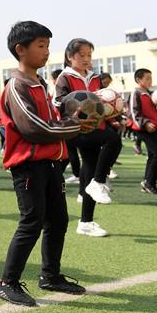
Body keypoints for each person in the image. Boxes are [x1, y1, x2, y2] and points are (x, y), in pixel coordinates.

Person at [0, 21, 99, 306]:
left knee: (58, 220)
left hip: (51, 165)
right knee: (31, 221)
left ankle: (50, 276)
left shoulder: (40, 84)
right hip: (28, 165)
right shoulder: (17, 85)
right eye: (41, 46)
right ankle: (7, 283)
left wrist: (76, 123)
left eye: (48, 46)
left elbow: (52, 121)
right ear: (21, 50)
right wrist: (76, 127)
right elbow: (33, 128)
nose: (47, 52)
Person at [54, 38, 122, 238]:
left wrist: (112, 111)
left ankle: (86, 222)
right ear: (70, 57)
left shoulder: (95, 77)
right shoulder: (64, 77)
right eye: (81, 55)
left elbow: (102, 100)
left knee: (89, 169)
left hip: (94, 127)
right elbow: (58, 102)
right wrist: (78, 106)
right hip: (75, 130)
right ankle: (100, 182)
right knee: (113, 140)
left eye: (89, 55)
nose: (86, 59)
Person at [129, 69, 157, 194]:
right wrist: (145, 123)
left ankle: (148, 182)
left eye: (151, 78)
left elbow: (151, 111)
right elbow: (134, 113)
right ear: (138, 80)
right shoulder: (136, 92)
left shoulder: (150, 93)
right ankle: (149, 183)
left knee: (153, 155)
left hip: (153, 129)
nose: (150, 80)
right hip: (144, 129)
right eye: (147, 78)